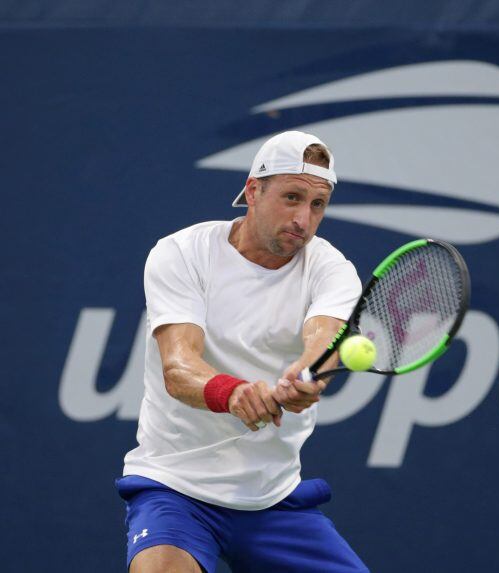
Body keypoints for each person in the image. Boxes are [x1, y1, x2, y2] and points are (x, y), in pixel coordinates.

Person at [117, 131, 368, 572]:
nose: (303, 220)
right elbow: (178, 367)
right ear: (253, 190)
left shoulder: (331, 268)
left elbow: (325, 339)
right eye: (291, 197)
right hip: (176, 489)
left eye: (317, 205)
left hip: (272, 497)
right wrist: (233, 393)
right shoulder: (182, 253)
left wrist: (306, 375)